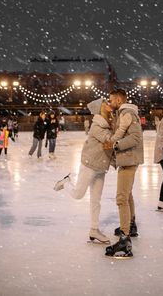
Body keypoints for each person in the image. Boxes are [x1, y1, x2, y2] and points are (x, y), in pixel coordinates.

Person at [54, 98, 113, 243]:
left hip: (101, 166)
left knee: (96, 200)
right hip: (90, 164)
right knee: (78, 195)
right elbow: (110, 140)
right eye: (105, 103)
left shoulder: (108, 122)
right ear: (99, 108)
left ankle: (94, 230)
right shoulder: (97, 126)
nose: (108, 104)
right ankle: (65, 182)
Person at [103, 88, 144, 258]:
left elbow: (135, 137)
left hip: (128, 159)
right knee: (127, 196)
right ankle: (130, 225)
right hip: (127, 159)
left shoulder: (128, 113)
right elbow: (120, 130)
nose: (109, 103)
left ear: (119, 100)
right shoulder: (124, 113)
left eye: (111, 100)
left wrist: (115, 145)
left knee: (121, 198)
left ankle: (125, 239)